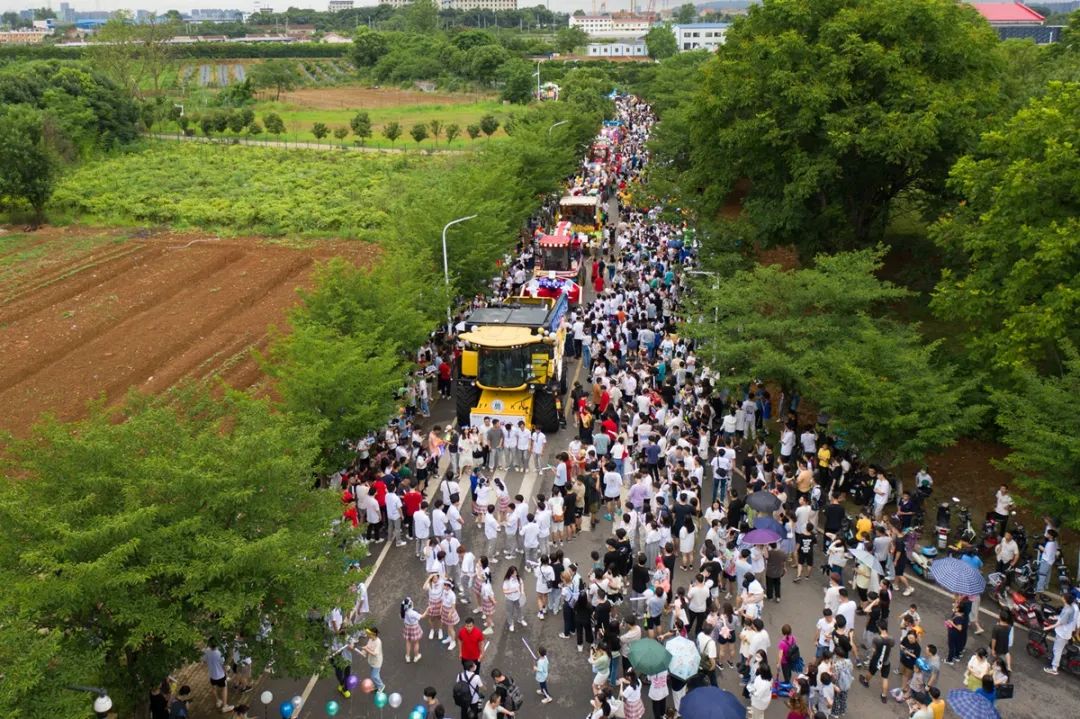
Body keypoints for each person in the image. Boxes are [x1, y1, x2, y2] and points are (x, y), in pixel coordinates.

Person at [1044, 591, 1078, 675]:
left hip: (1063, 633)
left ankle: (1054, 668)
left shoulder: (1069, 610)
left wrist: (1048, 627)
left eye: (1064, 597)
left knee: (1057, 650)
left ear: (1066, 600)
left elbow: (1061, 622)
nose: (1062, 597)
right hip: (1065, 632)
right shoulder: (1071, 607)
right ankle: (1059, 660)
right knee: (1060, 649)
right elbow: (1062, 618)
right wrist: (1055, 617)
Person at [858, 621, 893, 704]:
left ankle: (866, 681)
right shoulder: (891, 638)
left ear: (880, 628)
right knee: (885, 678)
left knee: (871, 672)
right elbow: (891, 646)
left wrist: (871, 658)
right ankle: (884, 695)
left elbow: (874, 649)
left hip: (877, 659)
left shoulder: (877, 638)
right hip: (886, 660)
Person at [203, 639, 233, 713]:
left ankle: (218, 701)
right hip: (220, 676)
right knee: (224, 688)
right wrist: (227, 671)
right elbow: (224, 665)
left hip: (212, 675)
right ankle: (225, 706)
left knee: (213, 688)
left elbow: (204, 661)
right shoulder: (219, 653)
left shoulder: (206, 651)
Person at [359, 626, 385, 693]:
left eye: (369, 634)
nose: (367, 635)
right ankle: (377, 685)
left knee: (374, 676)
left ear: (373, 634)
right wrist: (364, 651)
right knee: (375, 675)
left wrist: (366, 649)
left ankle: (381, 686)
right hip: (371, 661)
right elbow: (368, 646)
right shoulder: (370, 639)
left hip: (377, 662)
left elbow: (375, 653)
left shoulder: (378, 642)